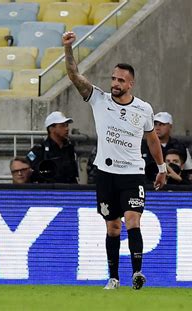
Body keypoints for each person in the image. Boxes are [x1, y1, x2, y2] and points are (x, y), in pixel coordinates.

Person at [63, 31, 167, 290]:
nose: (115, 83)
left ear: (130, 84)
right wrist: (68, 48)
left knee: (133, 219)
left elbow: (152, 139)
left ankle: (137, 273)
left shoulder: (143, 108)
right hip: (105, 174)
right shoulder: (99, 99)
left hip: (133, 174)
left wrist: (162, 167)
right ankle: (113, 277)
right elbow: (74, 76)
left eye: (121, 80)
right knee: (113, 228)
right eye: (113, 78)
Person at [26, 111, 79, 184]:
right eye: (62, 126)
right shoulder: (39, 149)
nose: (67, 129)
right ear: (51, 129)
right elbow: (28, 160)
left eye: (67, 125)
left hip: (67, 190)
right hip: (48, 190)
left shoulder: (69, 148)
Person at [141, 111, 192, 181]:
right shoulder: (143, 145)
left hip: (175, 186)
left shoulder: (180, 146)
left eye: (162, 124)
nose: (157, 128)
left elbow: (190, 172)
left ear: (170, 126)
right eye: (155, 124)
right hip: (149, 185)